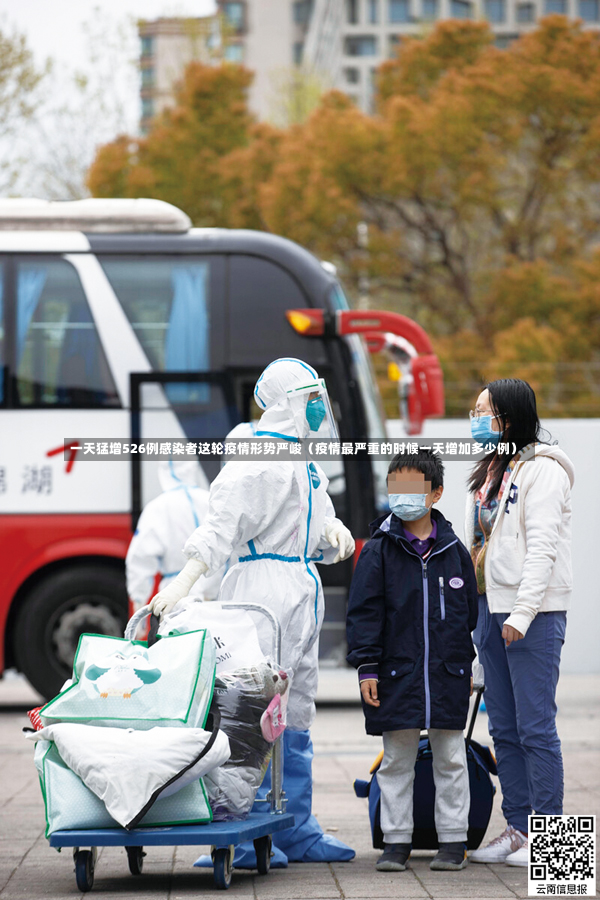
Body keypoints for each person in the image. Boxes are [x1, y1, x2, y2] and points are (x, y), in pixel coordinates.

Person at [148, 357, 356, 865]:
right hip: (263, 591)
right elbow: (221, 527)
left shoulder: (303, 464)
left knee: (297, 707)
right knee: (251, 709)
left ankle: (293, 826)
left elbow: (312, 528)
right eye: (310, 401)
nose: (318, 412)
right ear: (284, 403)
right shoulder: (257, 461)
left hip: (300, 588)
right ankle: (237, 829)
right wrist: (184, 583)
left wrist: (331, 539)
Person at [347, 449, 478, 873]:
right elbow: (364, 612)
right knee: (396, 759)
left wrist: (462, 662)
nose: (401, 496)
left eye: (412, 488)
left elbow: (468, 614)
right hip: (395, 673)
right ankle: (396, 841)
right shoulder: (379, 550)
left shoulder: (455, 550)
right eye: (395, 486)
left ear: (435, 493)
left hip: (446, 673)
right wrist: (367, 667)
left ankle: (453, 841)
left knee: (451, 758)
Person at [466, 379, 574, 867]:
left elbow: (543, 548)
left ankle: (556, 852)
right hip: (492, 612)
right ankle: (519, 828)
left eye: (483, 411)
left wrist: (524, 613)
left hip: (531, 614)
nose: (475, 418)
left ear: (508, 418)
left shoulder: (543, 470)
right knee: (505, 729)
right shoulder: (494, 470)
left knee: (536, 729)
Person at [126, 459, 222, 609]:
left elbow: (140, 560)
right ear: (193, 467)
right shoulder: (212, 500)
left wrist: (139, 602)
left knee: (177, 632)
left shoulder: (157, 508)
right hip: (216, 597)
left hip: (173, 596)